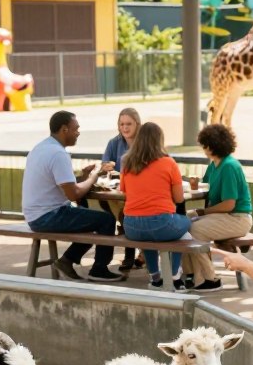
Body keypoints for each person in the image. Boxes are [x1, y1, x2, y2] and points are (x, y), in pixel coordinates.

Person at [22, 110, 125, 283]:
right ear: (64, 129)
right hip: (48, 216)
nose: (78, 132)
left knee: (90, 218)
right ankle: (99, 269)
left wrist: (84, 177)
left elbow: (65, 185)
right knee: (106, 220)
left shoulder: (41, 148)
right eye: (75, 129)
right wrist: (94, 175)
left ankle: (67, 261)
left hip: (35, 215)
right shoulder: (58, 154)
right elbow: (73, 194)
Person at [180, 123, 253, 293]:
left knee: (195, 229)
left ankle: (209, 278)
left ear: (211, 146)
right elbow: (205, 186)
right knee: (182, 223)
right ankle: (192, 274)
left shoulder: (229, 166)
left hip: (237, 218)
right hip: (226, 216)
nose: (203, 149)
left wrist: (202, 212)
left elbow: (230, 204)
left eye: (204, 145)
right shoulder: (215, 164)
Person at [120, 121, 191, 290]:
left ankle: (155, 278)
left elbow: (124, 192)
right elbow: (179, 198)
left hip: (131, 226)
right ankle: (174, 275)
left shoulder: (127, 162)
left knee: (148, 238)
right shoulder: (169, 163)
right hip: (162, 223)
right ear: (160, 140)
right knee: (187, 225)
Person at [98, 107, 143, 273]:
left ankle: (133, 254)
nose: (125, 128)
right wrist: (107, 167)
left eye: (129, 124)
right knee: (121, 212)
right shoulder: (114, 143)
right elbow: (104, 166)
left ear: (137, 124)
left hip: (139, 191)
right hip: (118, 191)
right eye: (122, 124)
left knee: (126, 214)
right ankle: (135, 254)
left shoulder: (145, 143)